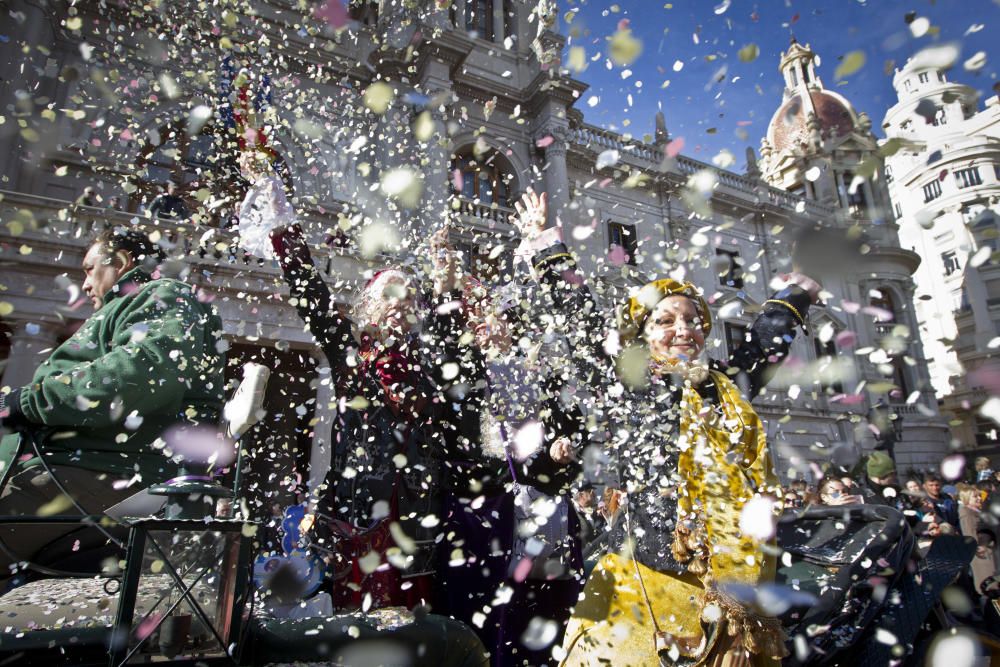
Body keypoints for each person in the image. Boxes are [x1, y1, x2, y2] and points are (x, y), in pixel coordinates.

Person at [510, 189, 821, 666]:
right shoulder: (627, 380)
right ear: (642, 335)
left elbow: (762, 346)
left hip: (730, 585)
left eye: (695, 320)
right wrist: (545, 244)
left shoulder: (723, 387)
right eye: (666, 321)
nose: (684, 329)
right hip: (645, 574)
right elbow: (582, 319)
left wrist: (796, 293)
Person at [0, 228, 226, 575]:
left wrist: (29, 402)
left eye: (90, 269)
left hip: (106, 470)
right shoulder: (131, 306)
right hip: (81, 465)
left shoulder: (163, 293)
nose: (86, 284)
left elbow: (141, 373)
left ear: (122, 262)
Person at [957, 483, 997, 597]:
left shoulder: (975, 511)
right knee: (988, 586)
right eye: (975, 496)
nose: (979, 498)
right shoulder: (966, 513)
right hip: (981, 555)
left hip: (987, 551)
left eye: (979, 495)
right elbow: (970, 534)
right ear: (966, 499)